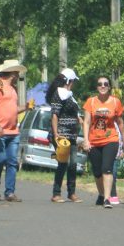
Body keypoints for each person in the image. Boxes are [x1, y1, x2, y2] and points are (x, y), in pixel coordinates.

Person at [0, 59, 29, 202]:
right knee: (0, 159)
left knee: (12, 161)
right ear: (12, 72)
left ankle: (10, 192)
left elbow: (13, 109)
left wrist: (26, 107)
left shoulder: (13, 89)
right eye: (16, 72)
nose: (18, 75)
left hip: (13, 132)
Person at [82, 75, 124, 209]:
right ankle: (101, 194)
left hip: (110, 139)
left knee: (106, 168)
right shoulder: (90, 102)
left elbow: (119, 121)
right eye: (100, 84)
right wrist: (85, 140)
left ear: (109, 87)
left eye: (105, 84)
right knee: (97, 171)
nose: (102, 86)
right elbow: (87, 122)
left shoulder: (115, 102)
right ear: (97, 87)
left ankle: (107, 198)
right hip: (94, 141)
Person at [47, 68, 84, 203]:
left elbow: (73, 111)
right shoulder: (58, 94)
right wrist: (56, 133)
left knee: (73, 164)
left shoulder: (70, 95)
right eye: (73, 81)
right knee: (63, 164)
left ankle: (71, 192)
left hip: (72, 135)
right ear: (68, 81)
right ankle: (56, 193)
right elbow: (55, 115)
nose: (73, 83)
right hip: (62, 135)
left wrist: (78, 118)